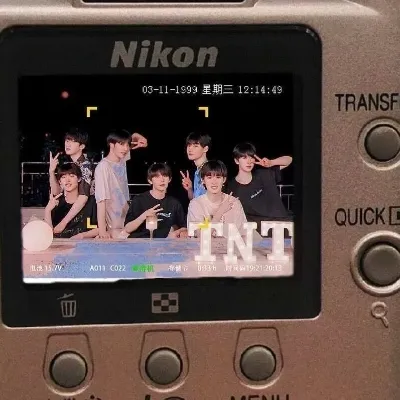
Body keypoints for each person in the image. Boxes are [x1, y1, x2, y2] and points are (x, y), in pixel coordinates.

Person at [226, 142, 293, 234]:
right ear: (236, 161)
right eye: (244, 157)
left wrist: (271, 162)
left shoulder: (264, 174)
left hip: (282, 225)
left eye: (251, 157)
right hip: (257, 231)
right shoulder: (231, 187)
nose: (249, 161)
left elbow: (289, 160)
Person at [94, 129, 147, 239]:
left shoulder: (121, 160)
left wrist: (137, 138)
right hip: (113, 224)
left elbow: (136, 138)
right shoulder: (103, 167)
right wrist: (102, 231)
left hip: (127, 219)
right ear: (111, 144)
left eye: (127, 145)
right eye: (121, 144)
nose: (126, 148)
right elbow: (101, 200)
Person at [120, 163, 187, 239]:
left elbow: (184, 227)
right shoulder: (139, 200)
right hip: (140, 242)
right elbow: (127, 229)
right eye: (157, 176)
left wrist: (175, 233)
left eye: (165, 176)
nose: (162, 180)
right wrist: (144, 215)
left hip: (164, 243)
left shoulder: (174, 203)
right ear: (150, 180)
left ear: (169, 179)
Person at [48, 128, 95, 235]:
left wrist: (63, 223)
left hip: (90, 209)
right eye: (67, 140)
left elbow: (83, 197)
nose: (68, 144)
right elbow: (57, 192)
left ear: (81, 146)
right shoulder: (70, 164)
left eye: (73, 141)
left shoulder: (85, 165)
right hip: (75, 206)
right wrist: (51, 171)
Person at [187, 160, 249, 238]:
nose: (214, 182)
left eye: (218, 177)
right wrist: (220, 211)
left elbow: (244, 235)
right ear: (203, 180)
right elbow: (201, 236)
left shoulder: (234, 203)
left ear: (224, 180)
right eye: (209, 177)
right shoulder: (195, 204)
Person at [44, 163, 98, 239]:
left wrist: (82, 236)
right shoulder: (57, 203)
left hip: (84, 244)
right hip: (61, 245)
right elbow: (48, 235)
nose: (67, 180)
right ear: (60, 182)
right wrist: (47, 211)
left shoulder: (91, 202)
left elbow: (101, 229)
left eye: (72, 176)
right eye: (63, 177)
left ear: (79, 179)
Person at [180, 132, 211, 200]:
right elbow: (195, 200)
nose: (190, 149)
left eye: (195, 146)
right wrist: (190, 189)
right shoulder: (198, 171)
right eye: (189, 145)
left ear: (205, 149)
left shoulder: (210, 171)